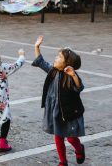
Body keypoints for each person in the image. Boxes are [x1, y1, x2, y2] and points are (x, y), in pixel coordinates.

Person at [32, 36, 85, 166]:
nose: (56, 58)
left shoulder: (70, 76)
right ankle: (63, 161)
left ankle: (79, 149)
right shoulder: (53, 71)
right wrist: (37, 47)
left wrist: (73, 75)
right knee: (58, 136)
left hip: (68, 112)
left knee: (71, 138)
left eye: (59, 57)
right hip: (56, 110)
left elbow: (79, 87)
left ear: (67, 64)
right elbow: (41, 62)